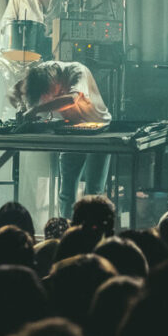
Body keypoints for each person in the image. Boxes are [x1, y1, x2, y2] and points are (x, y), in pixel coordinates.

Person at [9, 61, 112, 218]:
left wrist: (36, 109)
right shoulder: (40, 74)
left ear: (54, 82)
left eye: (50, 93)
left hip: (97, 132)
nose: (50, 98)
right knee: (66, 191)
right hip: (70, 131)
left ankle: (92, 230)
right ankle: (65, 230)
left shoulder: (77, 72)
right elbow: (14, 90)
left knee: (93, 192)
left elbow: (71, 99)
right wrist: (21, 106)